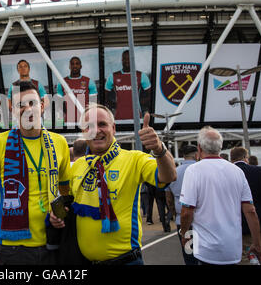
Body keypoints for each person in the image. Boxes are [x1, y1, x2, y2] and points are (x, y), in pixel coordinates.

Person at [53, 104, 177, 265]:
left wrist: (159, 149)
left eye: (102, 124)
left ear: (113, 128)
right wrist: (57, 216)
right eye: (89, 126)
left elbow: (169, 176)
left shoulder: (134, 159)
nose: (96, 130)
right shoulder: (77, 166)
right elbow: (66, 202)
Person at [0, 80, 71, 265]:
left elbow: (65, 192)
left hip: (52, 242)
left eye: (32, 103)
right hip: (13, 248)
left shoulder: (59, 143)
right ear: (12, 109)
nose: (27, 109)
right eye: (20, 105)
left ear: (43, 105)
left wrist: (60, 215)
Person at [179, 126, 261, 265]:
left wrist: (184, 234)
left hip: (206, 250)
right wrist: (257, 244)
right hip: (232, 249)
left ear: (199, 148)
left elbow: (187, 212)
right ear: (220, 147)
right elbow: (250, 210)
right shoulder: (237, 171)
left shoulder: (193, 171)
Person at [230, 147, 261, 264]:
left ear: (232, 159)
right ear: (245, 157)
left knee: (244, 255)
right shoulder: (260, 171)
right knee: (258, 252)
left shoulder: (227, 173)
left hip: (237, 222)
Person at [165, 144, 198, 265]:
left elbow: (168, 198)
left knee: (189, 253)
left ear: (183, 156)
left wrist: (174, 212)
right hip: (202, 218)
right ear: (196, 155)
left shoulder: (175, 172)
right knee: (205, 254)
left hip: (182, 219)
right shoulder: (200, 169)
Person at [105, 50, 151, 121]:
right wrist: (114, 105)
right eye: (125, 59)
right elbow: (105, 96)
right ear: (122, 60)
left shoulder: (141, 76)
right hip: (118, 117)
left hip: (137, 117)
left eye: (129, 58)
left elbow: (151, 96)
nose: (127, 61)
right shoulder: (113, 76)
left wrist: (139, 103)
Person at [56, 57, 98, 125]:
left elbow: (93, 103)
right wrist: (69, 112)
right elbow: (60, 102)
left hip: (85, 120)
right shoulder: (62, 82)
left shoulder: (89, 81)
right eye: (72, 64)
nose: (75, 66)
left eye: (77, 63)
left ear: (81, 66)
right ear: (69, 66)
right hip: (69, 121)